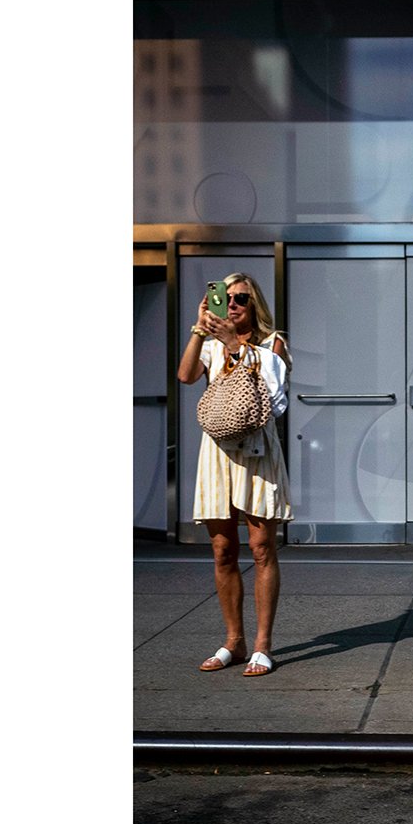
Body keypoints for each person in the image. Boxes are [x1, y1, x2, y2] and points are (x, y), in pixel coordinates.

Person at [177, 272, 292, 676]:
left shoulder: (272, 342)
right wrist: (199, 327)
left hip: (258, 454)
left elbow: (274, 400)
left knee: (261, 548)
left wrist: (232, 344)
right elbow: (186, 376)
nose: (234, 303)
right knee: (223, 550)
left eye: (241, 297)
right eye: (226, 298)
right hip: (217, 455)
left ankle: (262, 644)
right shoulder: (208, 344)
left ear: (254, 301)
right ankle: (233, 641)